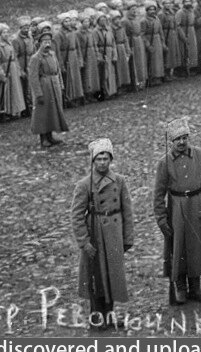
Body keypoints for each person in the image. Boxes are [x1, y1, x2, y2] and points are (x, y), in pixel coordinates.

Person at [153, 116, 201, 306]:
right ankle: (181, 288)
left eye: (185, 137)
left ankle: (196, 287)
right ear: (171, 142)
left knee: (197, 247)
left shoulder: (200, 155)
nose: (182, 142)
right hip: (176, 209)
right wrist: (161, 219)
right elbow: (158, 195)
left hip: (198, 206)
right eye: (177, 139)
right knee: (179, 248)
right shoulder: (164, 163)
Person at [72, 138, 135, 329]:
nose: (102, 162)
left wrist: (127, 237)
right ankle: (97, 318)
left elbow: (127, 210)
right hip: (96, 236)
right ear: (93, 161)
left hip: (114, 235)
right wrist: (84, 241)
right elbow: (76, 216)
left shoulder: (120, 181)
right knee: (96, 277)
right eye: (98, 159)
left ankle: (109, 316)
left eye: (105, 158)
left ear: (111, 159)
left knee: (112, 276)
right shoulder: (84, 185)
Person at [28, 26, 68, 148]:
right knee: (43, 112)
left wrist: (60, 84)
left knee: (53, 111)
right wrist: (38, 93)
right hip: (44, 85)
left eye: (49, 41)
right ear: (39, 43)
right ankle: (43, 138)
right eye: (44, 42)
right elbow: (33, 77)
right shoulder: (36, 58)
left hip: (54, 84)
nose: (47, 44)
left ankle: (50, 135)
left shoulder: (52, 54)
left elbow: (58, 70)